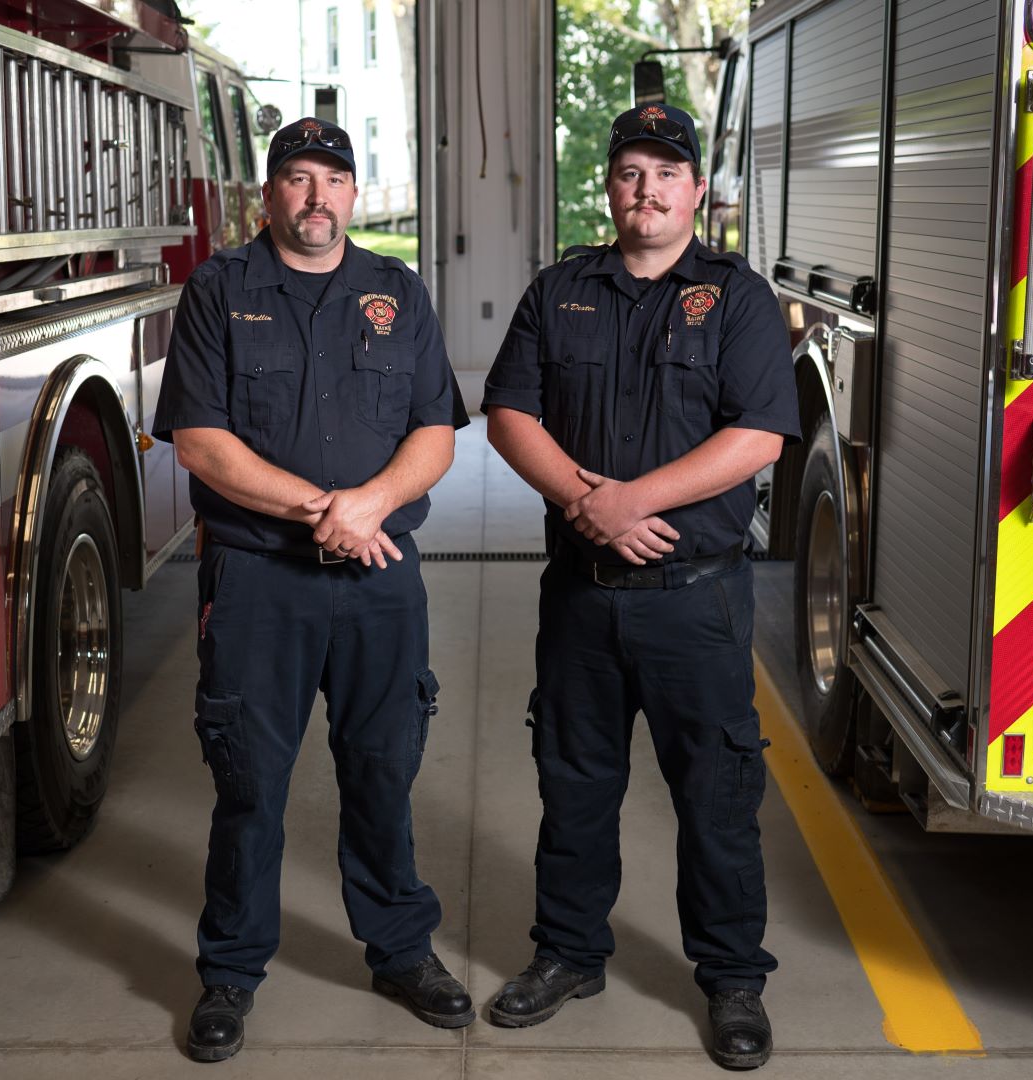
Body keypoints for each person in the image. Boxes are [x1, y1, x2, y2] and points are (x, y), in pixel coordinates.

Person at [480, 103, 797, 1070]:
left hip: (695, 600)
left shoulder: (736, 298)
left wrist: (627, 502)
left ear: (697, 189)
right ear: (610, 186)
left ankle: (733, 977)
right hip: (580, 596)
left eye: (667, 171)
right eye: (630, 171)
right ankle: (569, 954)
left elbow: (758, 434)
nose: (647, 189)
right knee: (574, 783)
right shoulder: (560, 290)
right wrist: (588, 503)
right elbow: (506, 413)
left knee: (716, 790)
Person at [152, 117, 471, 1063]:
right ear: (269, 195)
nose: (314, 198)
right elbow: (201, 440)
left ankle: (400, 949)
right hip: (258, 581)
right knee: (250, 784)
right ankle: (231, 971)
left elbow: (436, 431)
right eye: (295, 179)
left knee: (384, 768)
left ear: (355, 196)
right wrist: (321, 509)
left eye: (332, 181)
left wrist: (369, 505)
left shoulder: (395, 293)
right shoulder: (220, 290)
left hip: (379, 581)